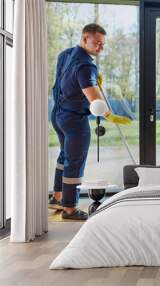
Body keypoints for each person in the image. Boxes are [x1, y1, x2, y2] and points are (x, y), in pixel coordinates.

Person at [49, 23, 132, 220]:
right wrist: (112, 115)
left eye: (102, 44)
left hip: (58, 114)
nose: (100, 48)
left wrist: (93, 83)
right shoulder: (86, 66)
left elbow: (66, 84)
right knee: (75, 163)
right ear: (85, 38)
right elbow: (97, 104)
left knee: (64, 157)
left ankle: (58, 196)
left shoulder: (65, 54)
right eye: (97, 43)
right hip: (75, 120)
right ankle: (69, 208)